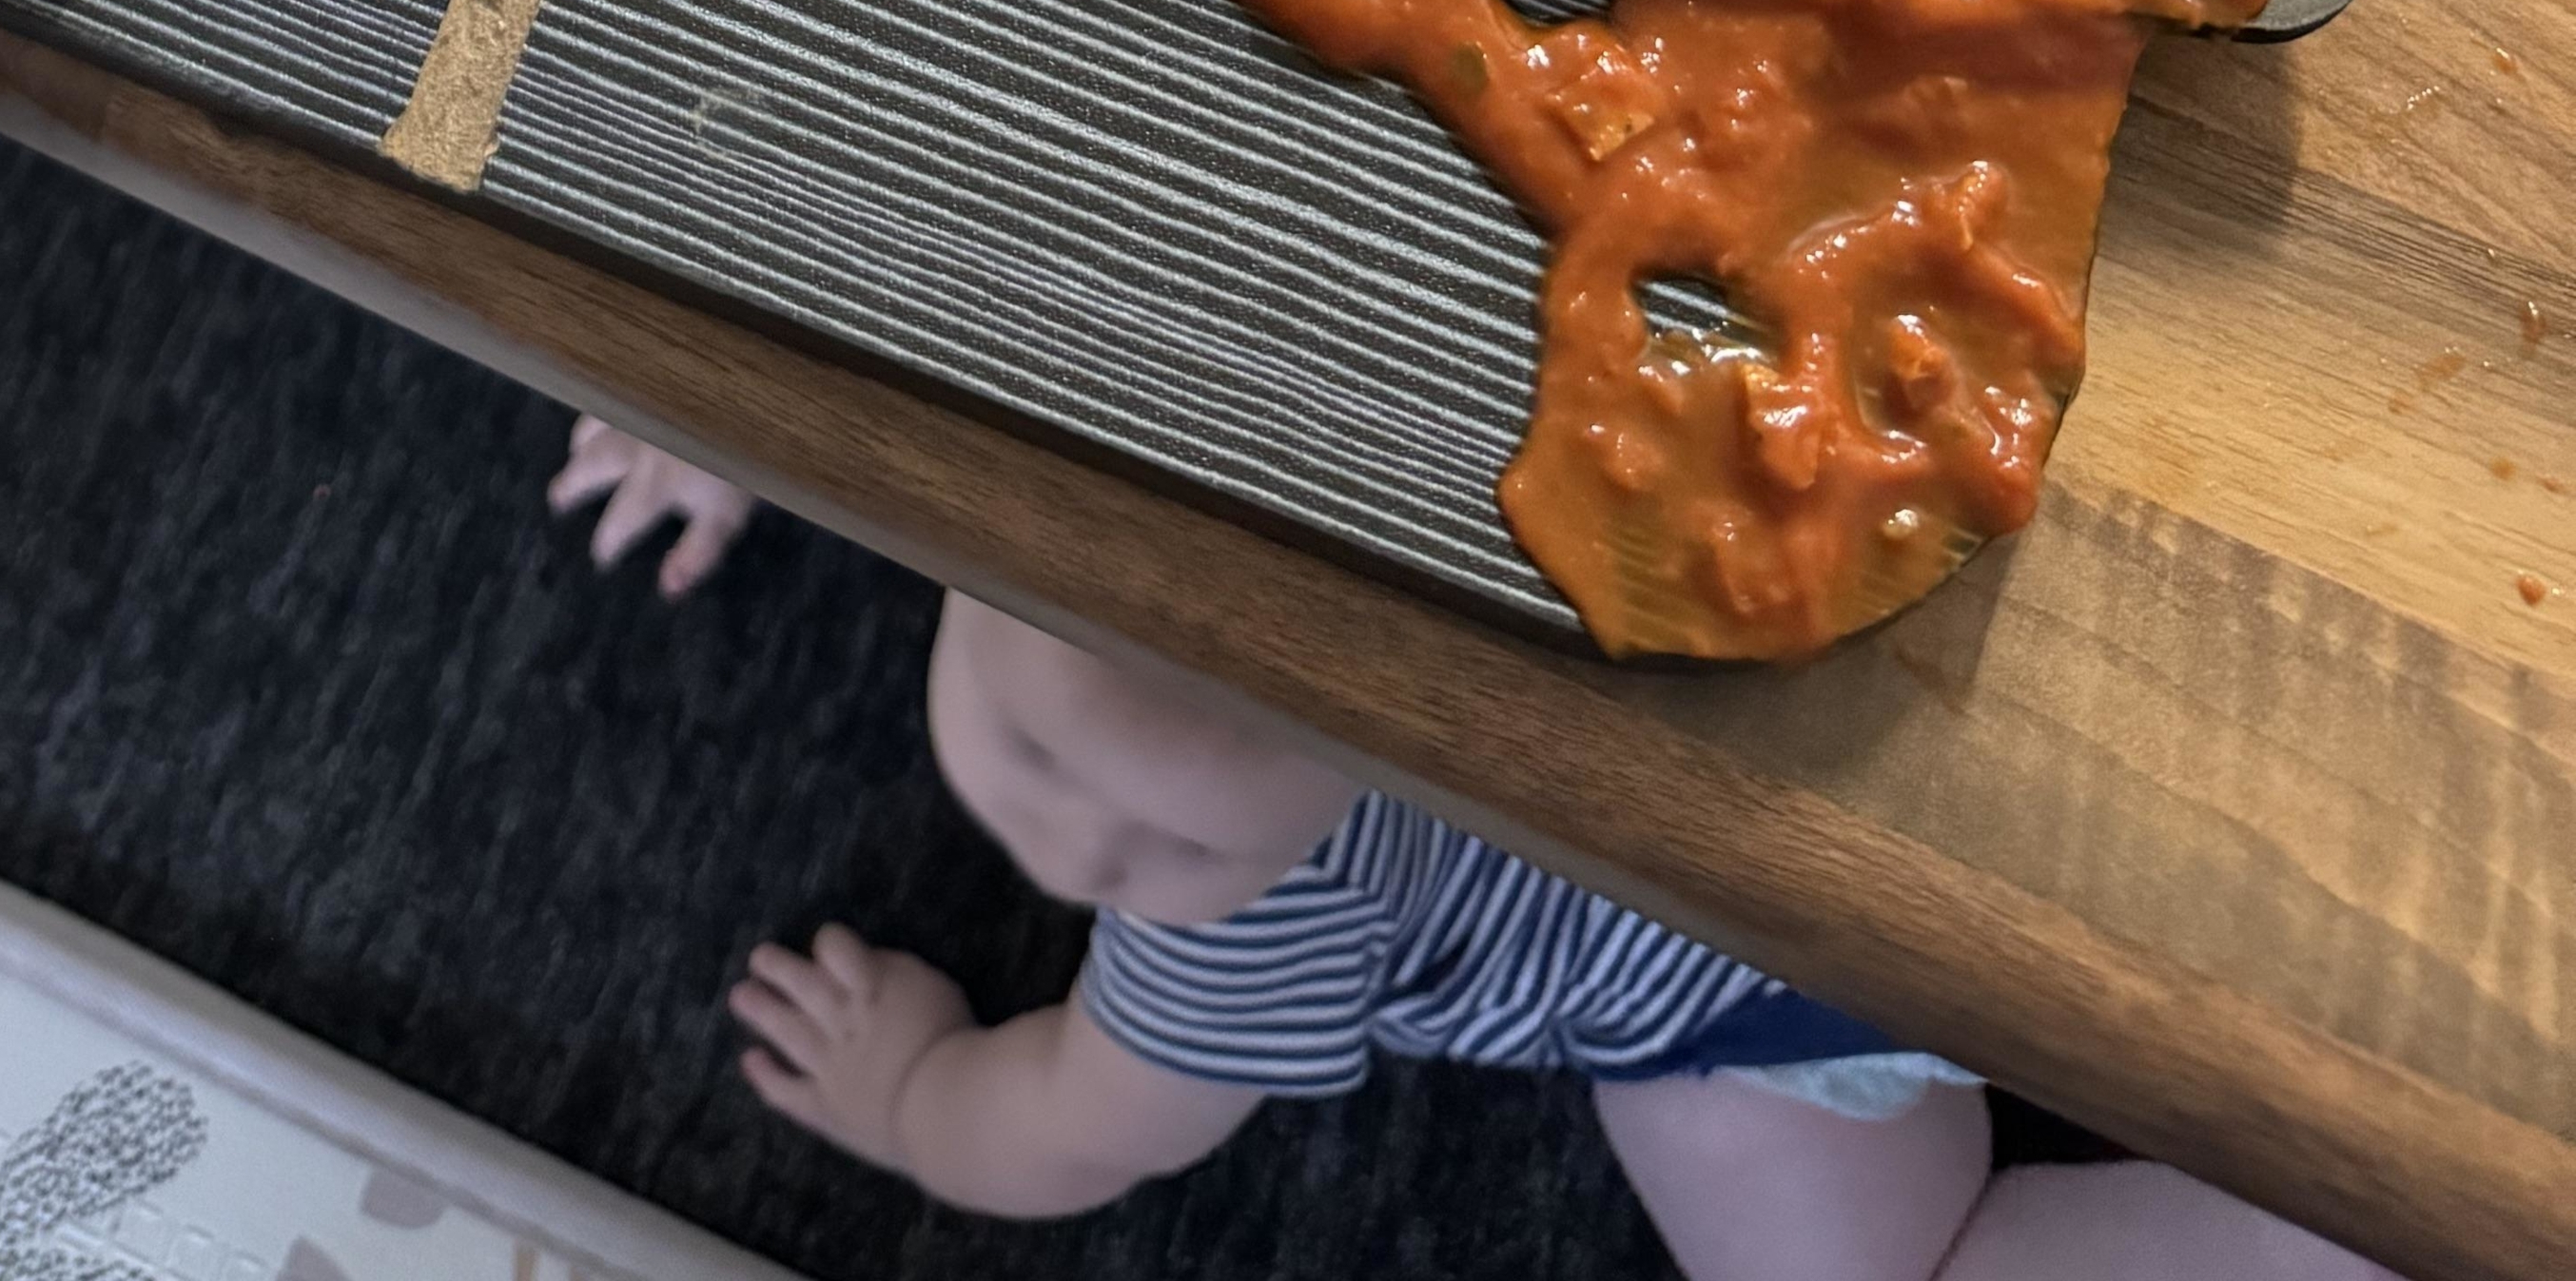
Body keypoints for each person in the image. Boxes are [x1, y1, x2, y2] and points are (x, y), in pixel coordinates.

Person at [547, 430, 2397, 1281]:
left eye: (1165, 847)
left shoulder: (1239, 946)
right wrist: (737, 434)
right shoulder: (1459, 489)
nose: (1084, 856)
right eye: (1030, 743)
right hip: (1878, 740)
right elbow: (880, 393)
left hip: (1733, 1018)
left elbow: (1063, 1139)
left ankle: (2336, 1229)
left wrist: (907, 1094)